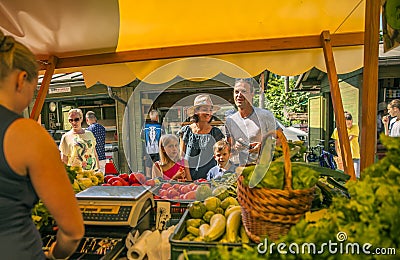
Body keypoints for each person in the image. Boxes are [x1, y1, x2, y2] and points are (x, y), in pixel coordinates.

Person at [0, 30, 84, 259]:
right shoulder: (25, 132)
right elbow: (73, 231)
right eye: (34, 87)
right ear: (21, 80)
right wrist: (56, 254)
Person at [225, 78, 276, 166]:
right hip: (241, 171)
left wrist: (262, 146)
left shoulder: (265, 116)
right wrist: (235, 147)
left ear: (252, 94)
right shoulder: (230, 121)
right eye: (236, 92)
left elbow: (281, 140)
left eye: (244, 91)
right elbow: (228, 150)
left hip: (263, 169)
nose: (239, 95)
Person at [178, 94, 224, 180]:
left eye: (210, 110)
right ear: (196, 111)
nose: (208, 113)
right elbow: (182, 157)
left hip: (211, 180)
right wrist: (189, 180)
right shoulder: (186, 131)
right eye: (205, 110)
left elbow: (221, 156)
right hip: (190, 180)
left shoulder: (216, 133)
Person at [331, 112, 361, 178]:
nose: (349, 125)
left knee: (356, 176)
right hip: (343, 157)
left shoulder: (355, 127)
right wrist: (339, 156)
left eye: (350, 123)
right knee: (344, 176)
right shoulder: (336, 130)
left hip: (354, 155)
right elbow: (336, 144)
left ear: (352, 121)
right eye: (347, 123)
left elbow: (349, 139)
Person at [143, 109, 164, 177]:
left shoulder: (144, 127)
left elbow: (141, 138)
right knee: (157, 168)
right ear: (157, 117)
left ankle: (149, 182)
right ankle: (157, 183)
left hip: (148, 151)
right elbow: (164, 139)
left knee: (148, 168)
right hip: (158, 151)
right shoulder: (161, 127)